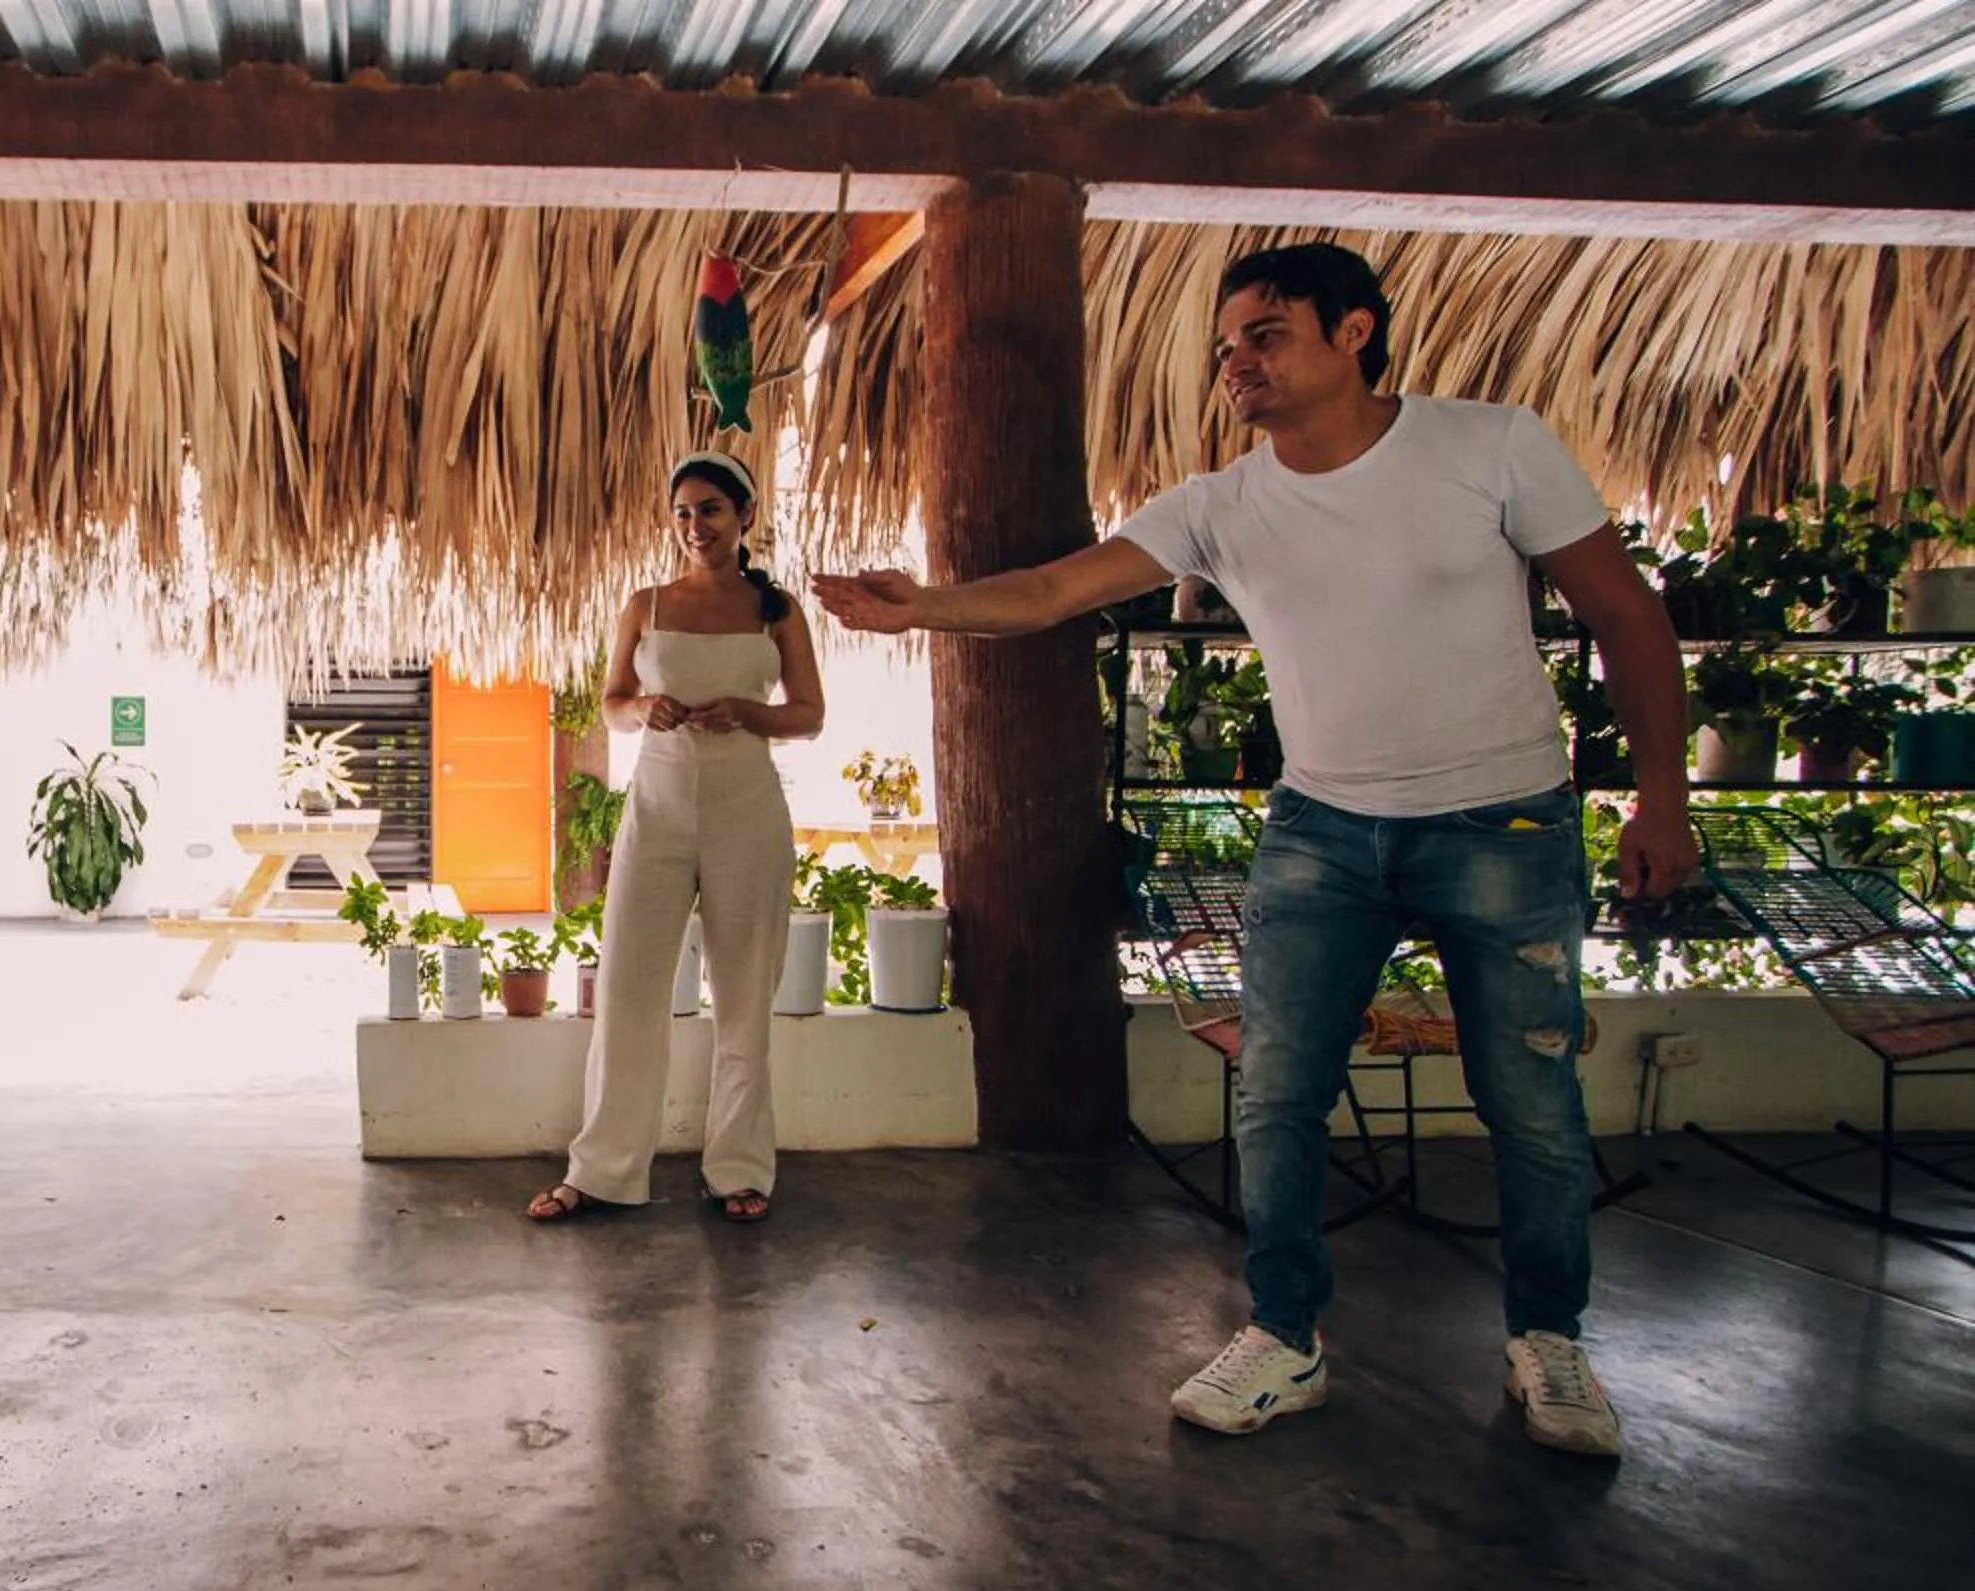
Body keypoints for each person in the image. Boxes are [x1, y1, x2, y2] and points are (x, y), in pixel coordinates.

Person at [811, 242, 1693, 1457]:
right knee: (1276, 1094)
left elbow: (1625, 612)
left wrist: (1661, 800)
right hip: (1322, 831)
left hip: (1507, 821)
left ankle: (1550, 1341)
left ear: (1357, 332)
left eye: (1266, 335)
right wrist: (921, 607)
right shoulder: (1222, 504)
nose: (1237, 363)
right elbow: (1055, 590)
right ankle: (1284, 1335)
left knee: (1529, 1099)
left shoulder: (1491, 446)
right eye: (1227, 346)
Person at [530, 451, 827, 1225]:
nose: (695, 526)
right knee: (628, 990)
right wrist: (643, 710)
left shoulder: (778, 609)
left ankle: (739, 1169)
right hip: (656, 808)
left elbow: (808, 714)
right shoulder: (646, 603)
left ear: (745, 517)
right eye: (683, 512)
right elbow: (612, 702)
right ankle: (600, 1171)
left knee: (743, 998)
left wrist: (748, 711)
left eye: (711, 510)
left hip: (746, 809)